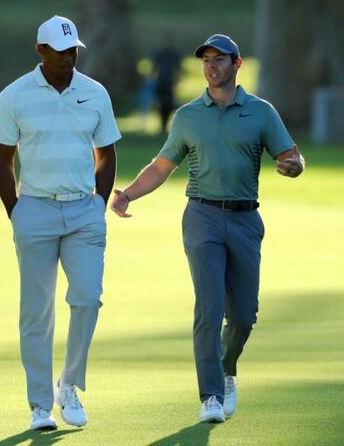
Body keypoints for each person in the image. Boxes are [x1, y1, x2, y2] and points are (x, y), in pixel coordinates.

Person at [110, 34, 305, 423]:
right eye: (206, 60)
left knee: (245, 315)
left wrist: (294, 166)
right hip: (202, 217)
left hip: (246, 219)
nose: (211, 66)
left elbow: (292, 156)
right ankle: (211, 395)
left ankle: (226, 368)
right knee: (209, 306)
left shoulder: (262, 112)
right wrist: (128, 194)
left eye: (219, 60)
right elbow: (162, 166)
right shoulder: (187, 116)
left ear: (237, 64)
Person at [0, 15, 120, 431]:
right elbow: (3, 158)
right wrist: (18, 212)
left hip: (84, 211)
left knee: (87, 298)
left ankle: (70, 384)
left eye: (73, 52)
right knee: (36, 312)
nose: (69, 59)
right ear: (40, 51)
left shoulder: (95, 93)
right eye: (61, 52)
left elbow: (107, 154)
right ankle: (40, 405)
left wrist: (97, 204)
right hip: (36, 211)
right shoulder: (14, 96)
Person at [151, 33, 182, 133]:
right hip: (160, 82)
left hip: (170, 83)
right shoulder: (158, 54)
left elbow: (178, 69)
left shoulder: (175, 54)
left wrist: (176, 81)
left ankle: (166, 125)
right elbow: (153, 69)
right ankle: (162, 126)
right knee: (161, 105)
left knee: (169, 104)